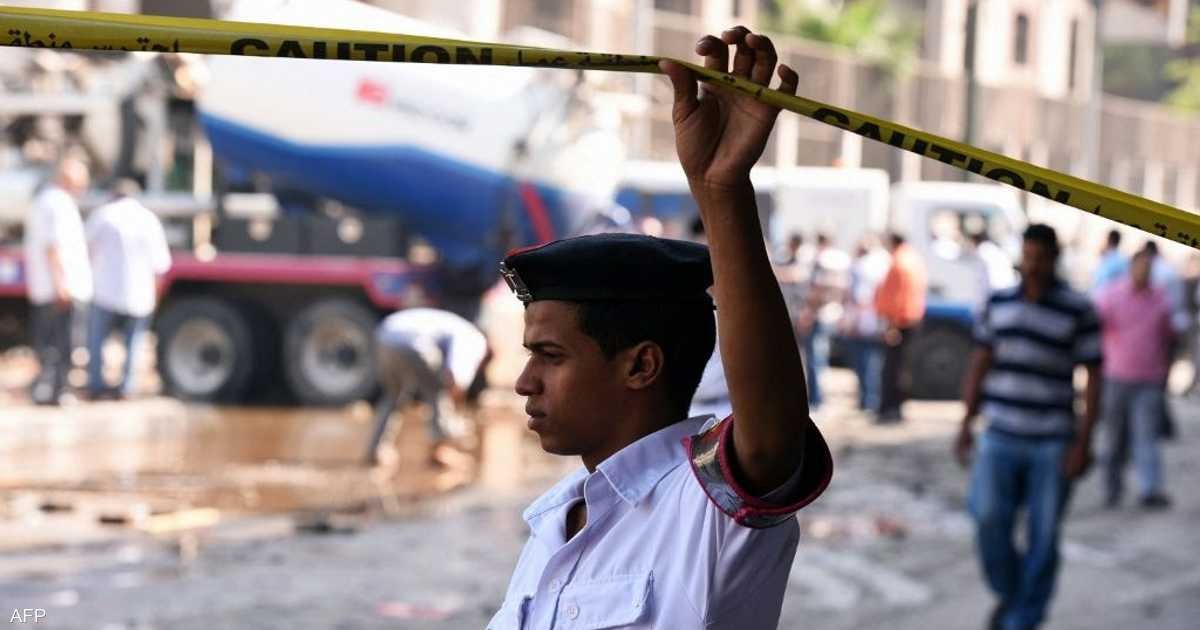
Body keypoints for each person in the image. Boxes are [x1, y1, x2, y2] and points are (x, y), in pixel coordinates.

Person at [488, 27, 833, 629]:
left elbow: (771, 441)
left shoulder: (705, 506)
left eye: (551, 355)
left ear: (641, 365)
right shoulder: (554, 521)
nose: (525, 381)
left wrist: (721, 190)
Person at [955, 224, 1103, 630]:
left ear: (1054, 259)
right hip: (999, 433)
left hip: (1052, 440)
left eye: (1040, 258)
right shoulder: (999, 303)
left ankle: (1022, 619)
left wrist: (1084, 442)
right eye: (1028, 257)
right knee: (987, 518)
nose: (1033, 266)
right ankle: (1012, 595)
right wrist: (966, 423)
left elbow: (1094, 379)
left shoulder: (1078, 309)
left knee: (1044, 534)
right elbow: (980, 363)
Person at [1095, 248, 1174, 510]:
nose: (1144, 271)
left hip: (1148, 378)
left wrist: (1165, 372)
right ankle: (1112, 489)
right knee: (1114, 439)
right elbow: (1095, 328)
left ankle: (1149, 489)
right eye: (1140, 266)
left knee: (1146, 436)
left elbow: (1168, 338)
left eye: (1148, 267)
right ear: (1131, 268)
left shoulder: (1160, 298)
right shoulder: (1111, 295)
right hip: (1116, 376)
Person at [365, 307, 491, 467]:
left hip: (384, 336)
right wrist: (455, 419)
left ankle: (377, 450)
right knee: (437, 392)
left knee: (394, 394)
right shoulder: (475, 340)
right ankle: (440, 451)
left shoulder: (456, 325)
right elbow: (456, 379)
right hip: (412, 342)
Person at [84, 180, 171, 400]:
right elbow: (160, 265)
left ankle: (96, 385)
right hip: (139, 293)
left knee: (97, 340)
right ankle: (126, 387)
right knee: (134, 343)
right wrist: (156, 295)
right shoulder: (148, 219)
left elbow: (85, 250)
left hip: (104, 290)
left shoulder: (103, 215)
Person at [24, 156, 93, 406]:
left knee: (51, 342)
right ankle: (55, 391)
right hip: (60, 288)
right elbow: (53, 247)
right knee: (61, 343)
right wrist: (61, 284)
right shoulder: (57, 203)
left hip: (51, 287)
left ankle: (48, 390)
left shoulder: (47, 201)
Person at [873, 232, 927, 423]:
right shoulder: (914, 259)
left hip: (899, 322)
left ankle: (890, 408)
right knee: (902, 367)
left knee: (892, 369)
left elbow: (896, 297)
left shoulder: (899, 263)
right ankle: (896, 407)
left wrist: (892, 325)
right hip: (912, 319)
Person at [841, 236, 890, 413]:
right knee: (874, 361)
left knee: (864, 361)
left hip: (863, 320)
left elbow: (859, 296)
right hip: (878, 319)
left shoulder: (860, 267)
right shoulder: (884, 264)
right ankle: (872, 398)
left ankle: (867, 400)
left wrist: (852, 320)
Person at [1091, 229, 1127, 295]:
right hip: (1097, 294)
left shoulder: (1120, 260)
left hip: (1106, 296)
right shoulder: (1106, 256)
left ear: (1109, 240)